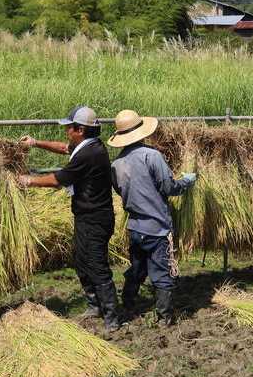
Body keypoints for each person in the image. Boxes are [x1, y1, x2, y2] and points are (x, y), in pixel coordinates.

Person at [17, 106, 122, 332]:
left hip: (96, 219)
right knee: (81, 260)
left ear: (80, 130)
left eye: (69, 128)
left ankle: (112, 317)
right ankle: (95, 305)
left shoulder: (89, 154)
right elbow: (65, 148)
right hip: (85, 216)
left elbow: (58, 179)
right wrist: (35, 143)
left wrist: (27, 181)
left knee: (97, 264)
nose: (66, 132)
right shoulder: (88, 146)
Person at [109, 110, 197, 324]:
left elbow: (121, 191)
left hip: (135, 227)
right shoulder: (152, 156)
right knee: (162, 272)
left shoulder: (116, 165)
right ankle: (165, 316)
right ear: (141, 132)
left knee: (137, 268)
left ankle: (128, 304)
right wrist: (186, 181)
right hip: (157, 228)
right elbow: (168, 187)